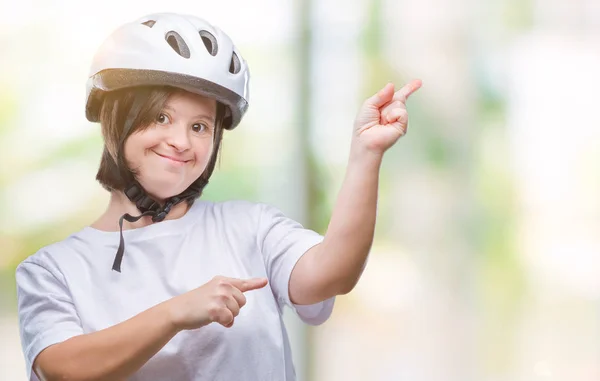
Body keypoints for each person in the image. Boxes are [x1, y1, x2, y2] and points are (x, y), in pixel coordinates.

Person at [15, 12, 421, 381]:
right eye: (161, 117)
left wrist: (366, 154)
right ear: (115, 121)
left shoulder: (251, 227)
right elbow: (64, 369)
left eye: (200, 126)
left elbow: (333, 273)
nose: (181, 141)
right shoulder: (53, 270)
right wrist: (175, 313)